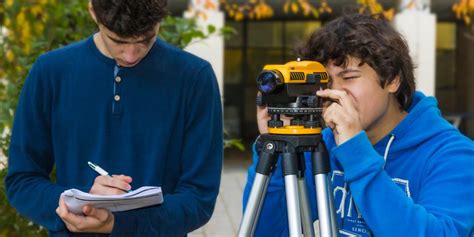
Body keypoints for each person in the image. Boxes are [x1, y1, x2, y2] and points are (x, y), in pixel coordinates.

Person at [244, 13, 474, 236]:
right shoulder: (324, 143)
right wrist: (274, 149)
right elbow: (265, 231)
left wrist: (356, 153)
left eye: (349, 77)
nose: (333, 91)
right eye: (325, 80)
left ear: (393, 79)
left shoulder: (453, 154)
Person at [6, 0, 223, 236]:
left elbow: (199, 197)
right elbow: (22, 180)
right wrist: (79, 204)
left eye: (145, 39)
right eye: (117, 41)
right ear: (92, 11)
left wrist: (118, 224)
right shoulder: (50, 72)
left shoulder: (194, 78)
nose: (130, 56)